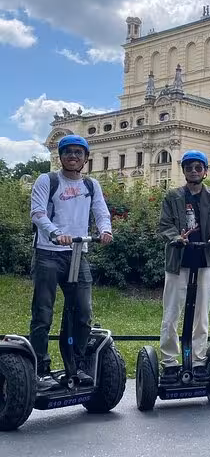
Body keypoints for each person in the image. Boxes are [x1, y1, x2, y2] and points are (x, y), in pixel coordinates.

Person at [29, 135, 113, 391]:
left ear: (86, 158)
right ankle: (40, 369)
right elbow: (38, 213)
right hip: (48, 254)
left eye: (78, 152)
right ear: (61, 156)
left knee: (82, 312)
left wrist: (105, 230)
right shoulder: (48, 180)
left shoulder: (91, 184)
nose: (73, 156)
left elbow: (100, 211)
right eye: (68, 152)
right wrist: (54, 233)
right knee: (43, 313)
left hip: (78, 254)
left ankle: (74, 366)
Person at [158, 150, 210, 384]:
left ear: (205, 171)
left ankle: (198, 361)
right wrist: (176, 237)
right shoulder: (173, 196)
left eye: (198, 167)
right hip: (178, 260)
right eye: (189, 168)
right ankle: (169, 361)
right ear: (184, 171)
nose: (194, 171)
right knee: (171, 312)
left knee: (202, 313)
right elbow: (164, 224)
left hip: (205, 258)